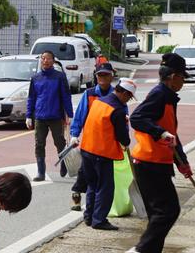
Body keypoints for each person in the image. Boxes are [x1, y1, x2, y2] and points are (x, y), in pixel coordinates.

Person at [125, 53, 193, 253]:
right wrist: (159, 132)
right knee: (169, 210)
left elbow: (171, 135)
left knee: (159, 212)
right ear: (173, 76)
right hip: (148, 162)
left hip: (159, 161)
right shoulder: (160, 95)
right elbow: (137, 118)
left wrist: (182, 162)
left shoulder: (169, 96)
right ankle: (141, 250)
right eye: (183, 77)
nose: (184, 81)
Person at [79, 78, 136, 230]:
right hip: (101, 153)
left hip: (86, 149)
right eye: (129, 97)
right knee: (105, 187)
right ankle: (99, 220)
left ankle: (89, 216)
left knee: (92, 185)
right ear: (124, 93)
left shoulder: (99, 102)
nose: (128, 100)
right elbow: (122, 136)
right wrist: (126, 140)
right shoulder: (117, 109)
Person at [66, 62, 117, 211]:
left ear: (111, 76)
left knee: (101, 180)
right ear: (96, 77)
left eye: (106, 75)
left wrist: (123, 138)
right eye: (100, 75)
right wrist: (74, 135)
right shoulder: (89, 94)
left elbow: (122, 117)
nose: (102, 78)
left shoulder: (115, 95)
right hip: (90, 142)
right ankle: (79, 199)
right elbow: (80, 116)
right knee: (86, 172)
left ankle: (94, 211)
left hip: (108, 144)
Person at [26, 51, 74, 182]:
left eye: (48, 58)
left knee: (60, 143)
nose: (45, 61)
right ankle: (41, 172)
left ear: (53, 60)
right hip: (40, 117)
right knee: (39, 144)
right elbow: (31, 98)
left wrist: (70, 114)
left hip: (56, 116)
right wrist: (28, 115)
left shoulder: (59, 77)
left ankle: (63, 164)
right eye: (43, 58)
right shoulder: (35, 78)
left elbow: (66, 96)